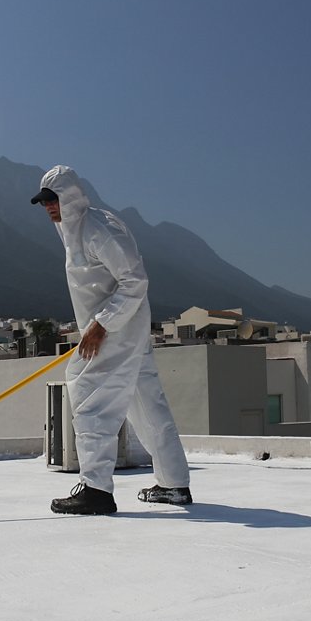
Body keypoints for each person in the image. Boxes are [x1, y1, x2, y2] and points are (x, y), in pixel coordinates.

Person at [31, 165, 192, 515]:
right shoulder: (74, 228)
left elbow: (135, 280)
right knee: (146, 402)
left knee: (90, 398)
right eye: (44, 202)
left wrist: (102, 325)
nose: (48, 207)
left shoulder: (98, 229)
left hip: (115, 329)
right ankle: (174, 483)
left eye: (53, 200)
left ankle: (96, 490)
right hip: (124, 328)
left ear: (71, 197)